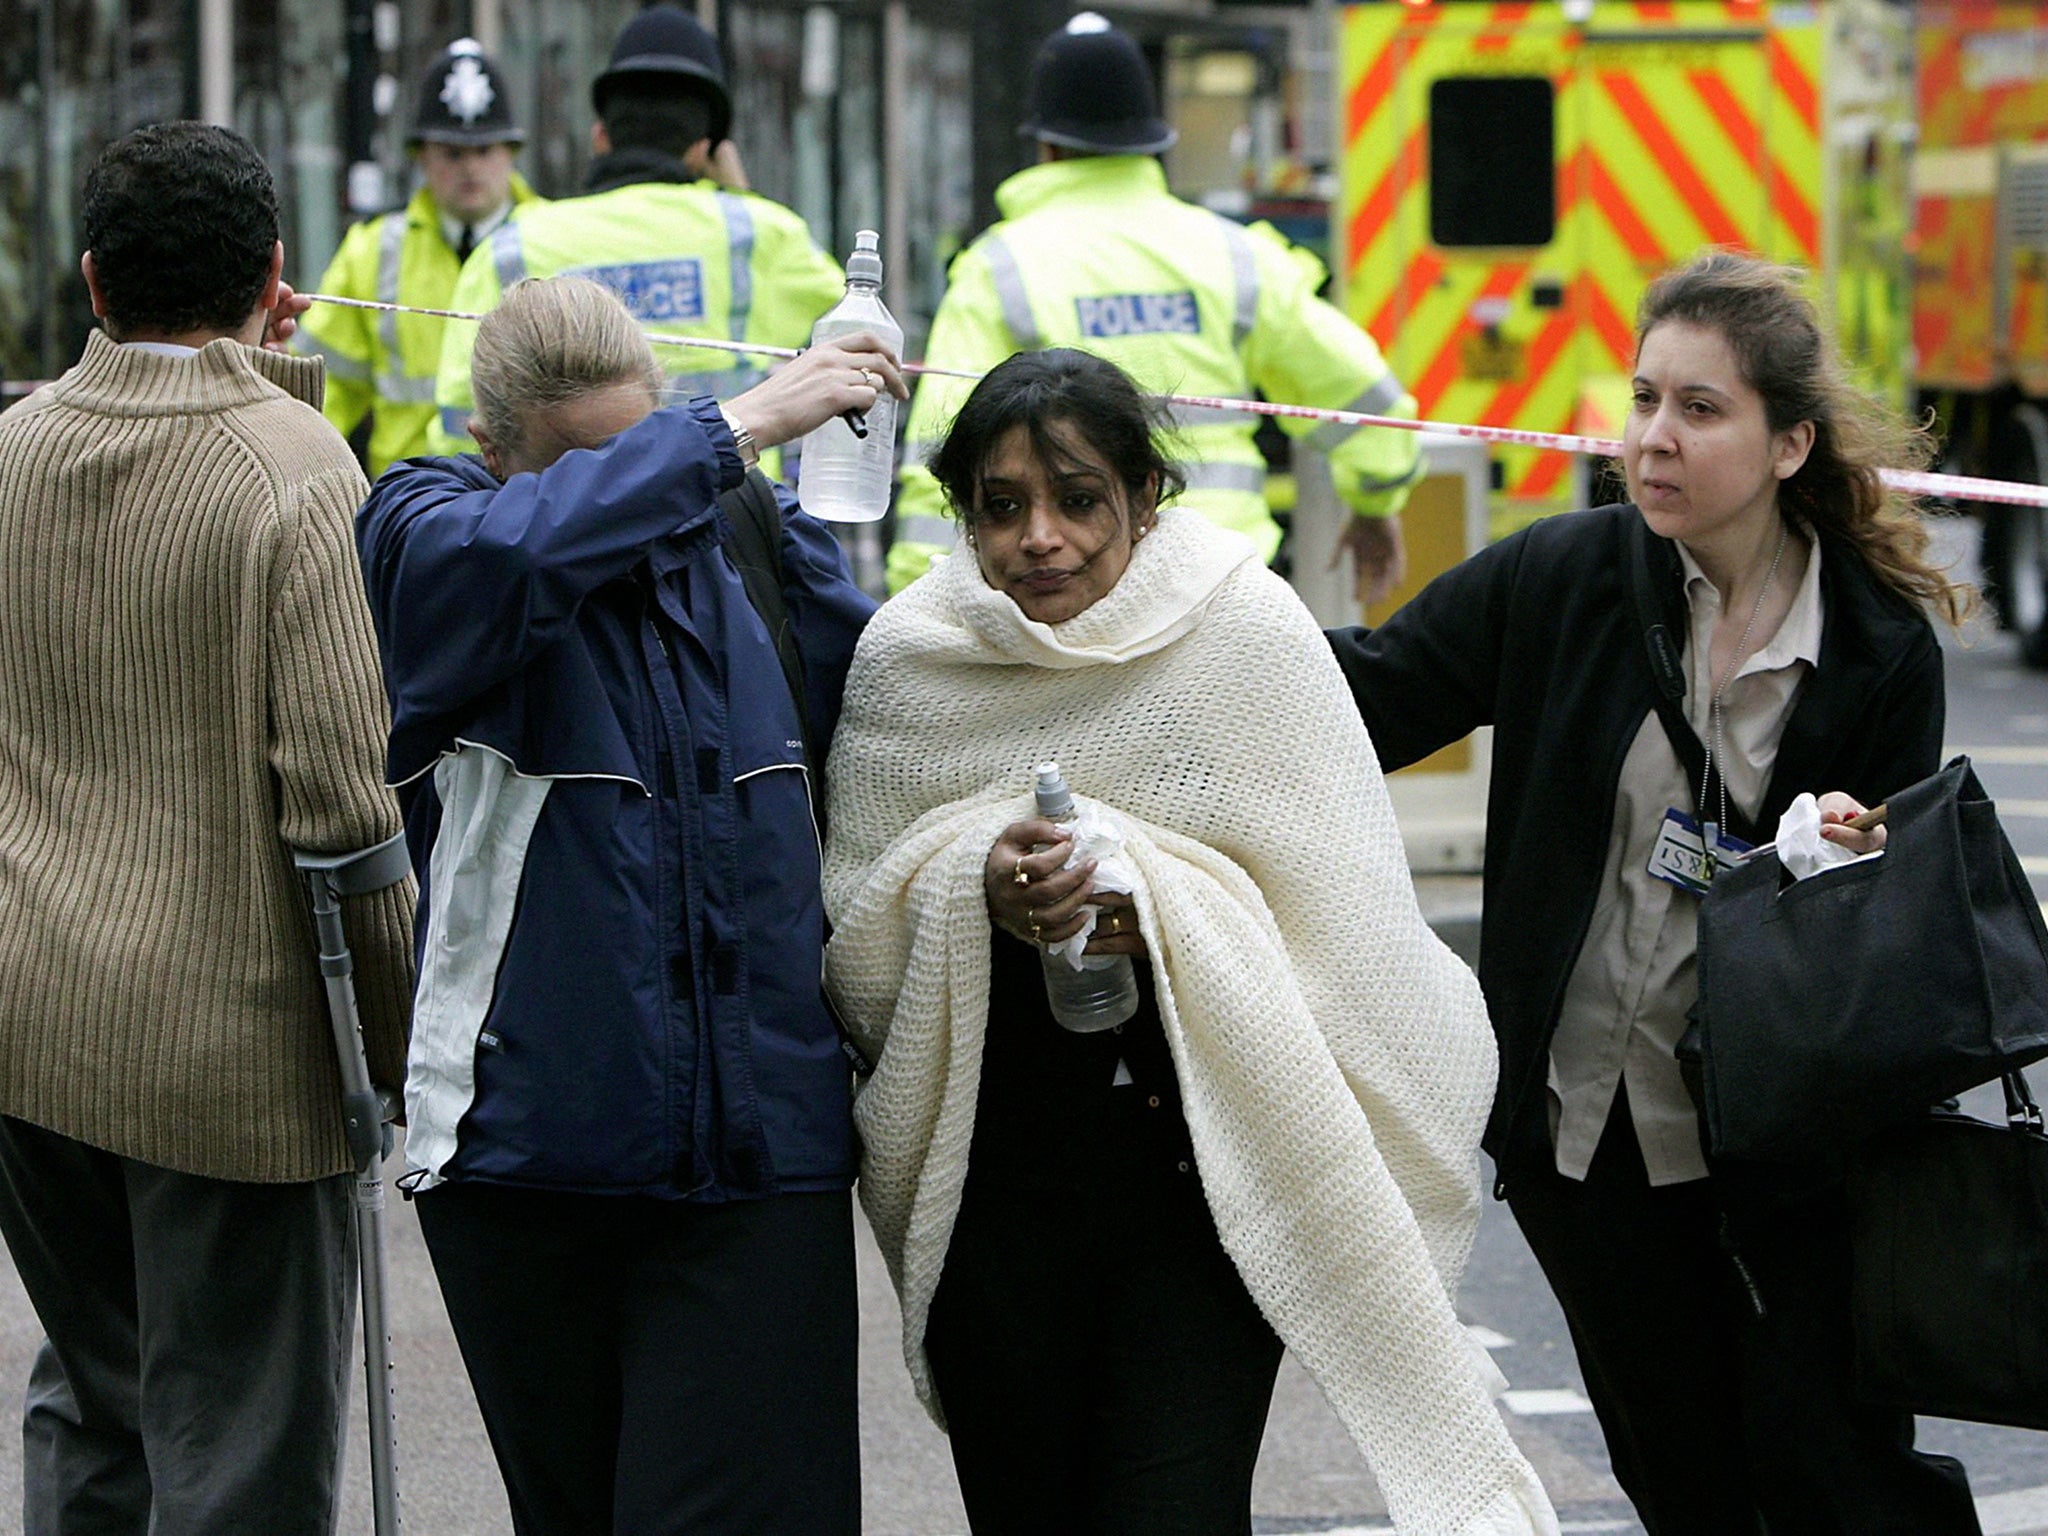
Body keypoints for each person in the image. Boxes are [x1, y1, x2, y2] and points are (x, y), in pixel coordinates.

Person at [824, 348, 1556, 1535]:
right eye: (1001, 508)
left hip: (1199, 1197)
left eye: (1077, 502)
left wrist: (1150, 889)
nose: (1039, 540)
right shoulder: (913, 659)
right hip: (995, 1205)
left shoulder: (1242, 634)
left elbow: (1341, 913)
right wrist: (975, 884)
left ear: (1143, 502)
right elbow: (853, 938)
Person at [1326, 250, 1981, 1536]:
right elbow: (1365, 693)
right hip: (1583, 1144)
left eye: (1698, 409)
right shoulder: (1562, 578)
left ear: (1788, 444)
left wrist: (1852, 852)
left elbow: (1890, 918)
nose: (1652, 440)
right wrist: (1168, 625)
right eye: (1641, 400)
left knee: (1822, 1471)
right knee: (1676, 1477)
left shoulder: (1873, 645)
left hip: (1781, 1151)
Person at [357, 273, 903, 1534]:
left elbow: (902, 699)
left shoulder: (744, 530)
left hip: (757, 1152)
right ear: (496, 452)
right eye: (583, 467)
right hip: (531, 1155)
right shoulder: (424, 524)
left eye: (647, 443)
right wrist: (727, 433)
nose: (647, 502)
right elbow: (508, 552)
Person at [0, 122, 412, 1531]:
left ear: (92, 278)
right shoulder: (296, 471)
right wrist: (399, 1051)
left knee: (103, 1398)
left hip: (29, 1018)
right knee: (241, 1439)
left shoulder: (13, 449)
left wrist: (252, 368)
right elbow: (349, 807)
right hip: (228, 1053)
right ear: (277, 272)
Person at [886, 12, 1422, 600]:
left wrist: (919, 590)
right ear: (1152, 139)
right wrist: (1376, 500)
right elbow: (1365, 396)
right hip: (1225, 584)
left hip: (1071, 590)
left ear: (1046, 144)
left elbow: (946, 442)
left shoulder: (1000, 267)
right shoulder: (1235, 254)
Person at [429, 4, 843, 454]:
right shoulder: (760, 234)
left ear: (601, 137)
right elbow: (856, 346)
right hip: (727, 508)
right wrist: (738, 198)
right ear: (705, 148)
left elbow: (459, 420)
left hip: (561, 516)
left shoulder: (511, 247)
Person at [296, 38, 542, 478]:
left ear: (511, 153)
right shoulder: (371, 253)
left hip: (531, 503)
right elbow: (318, 392)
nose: (470, 168)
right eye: (452, 153)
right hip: (410, 504)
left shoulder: (552, 238)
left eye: (484, 151)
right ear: (422, 156)